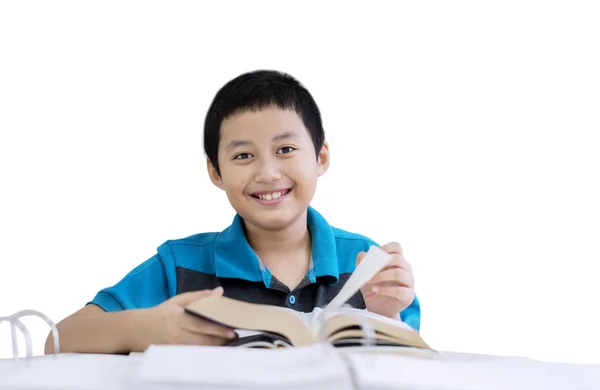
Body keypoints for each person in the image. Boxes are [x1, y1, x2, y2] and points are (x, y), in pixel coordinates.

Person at [45, 70, 420, 354]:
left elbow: (416, 379)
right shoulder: (179, 266)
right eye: (243, 155)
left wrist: (386, 317)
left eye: (285, 149)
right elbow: (58, 340)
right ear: (215, 172)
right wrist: (147, 326)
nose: (267, 172)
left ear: (320, 157)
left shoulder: (365, 266)